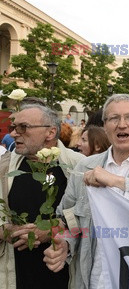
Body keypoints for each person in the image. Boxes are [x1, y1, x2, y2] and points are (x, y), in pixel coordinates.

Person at [43, 94, 129, 289]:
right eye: (113, 118)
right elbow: (68, 219)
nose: (121, 124)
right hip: (94, 280)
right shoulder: (85, 166)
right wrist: (65, 244)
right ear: (104, 126)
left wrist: (119, 182)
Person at [0, 104, 85, 289]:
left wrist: (51, 232)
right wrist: (8, 230)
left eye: (23, 127)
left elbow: (91, 221)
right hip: (16, 276)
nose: (14, 134)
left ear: (50, 132)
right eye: (13, 128)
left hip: (64, 277)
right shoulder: (4, 167)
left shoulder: (78, 167)